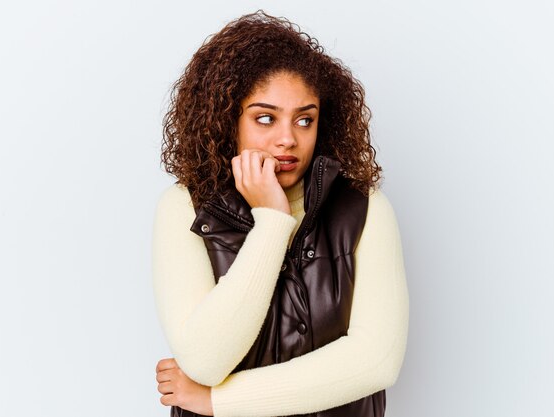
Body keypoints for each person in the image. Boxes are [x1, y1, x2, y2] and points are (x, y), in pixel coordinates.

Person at [152, 10, 409, 417]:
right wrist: (272, 221)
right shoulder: (184, 208)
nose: (288, 139)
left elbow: (376, 361)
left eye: (304, 119)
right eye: (265, 118)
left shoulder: (364, 210)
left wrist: (217, 400)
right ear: (227, 120)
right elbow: (205, 359)